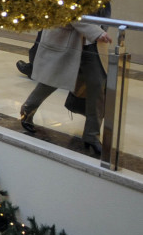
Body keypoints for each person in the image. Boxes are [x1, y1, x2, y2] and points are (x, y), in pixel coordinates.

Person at [18, 21, 111, 154]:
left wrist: (100, 30)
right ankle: (28, 109)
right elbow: (72, 14)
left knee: (97, 86)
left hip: (94, 44)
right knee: (52, 81)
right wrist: (97, 32)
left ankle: (92, 135)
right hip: (67, 38)